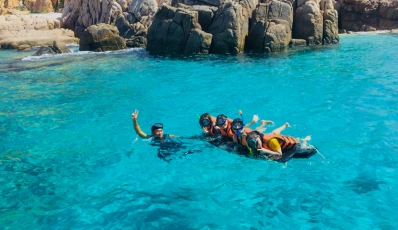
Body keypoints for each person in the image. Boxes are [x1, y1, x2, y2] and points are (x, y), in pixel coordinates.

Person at [244, 123, 311, 160]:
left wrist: (264, 150)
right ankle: (284, 125)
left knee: (303, 148)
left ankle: (304, 140)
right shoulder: (255, 143)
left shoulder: (272, 141)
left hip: (293, 145)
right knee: (273, 133)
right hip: (276, 144)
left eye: (257, 143)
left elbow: (280, 154)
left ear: (258, 137)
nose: (257, 146)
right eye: (254, 145)